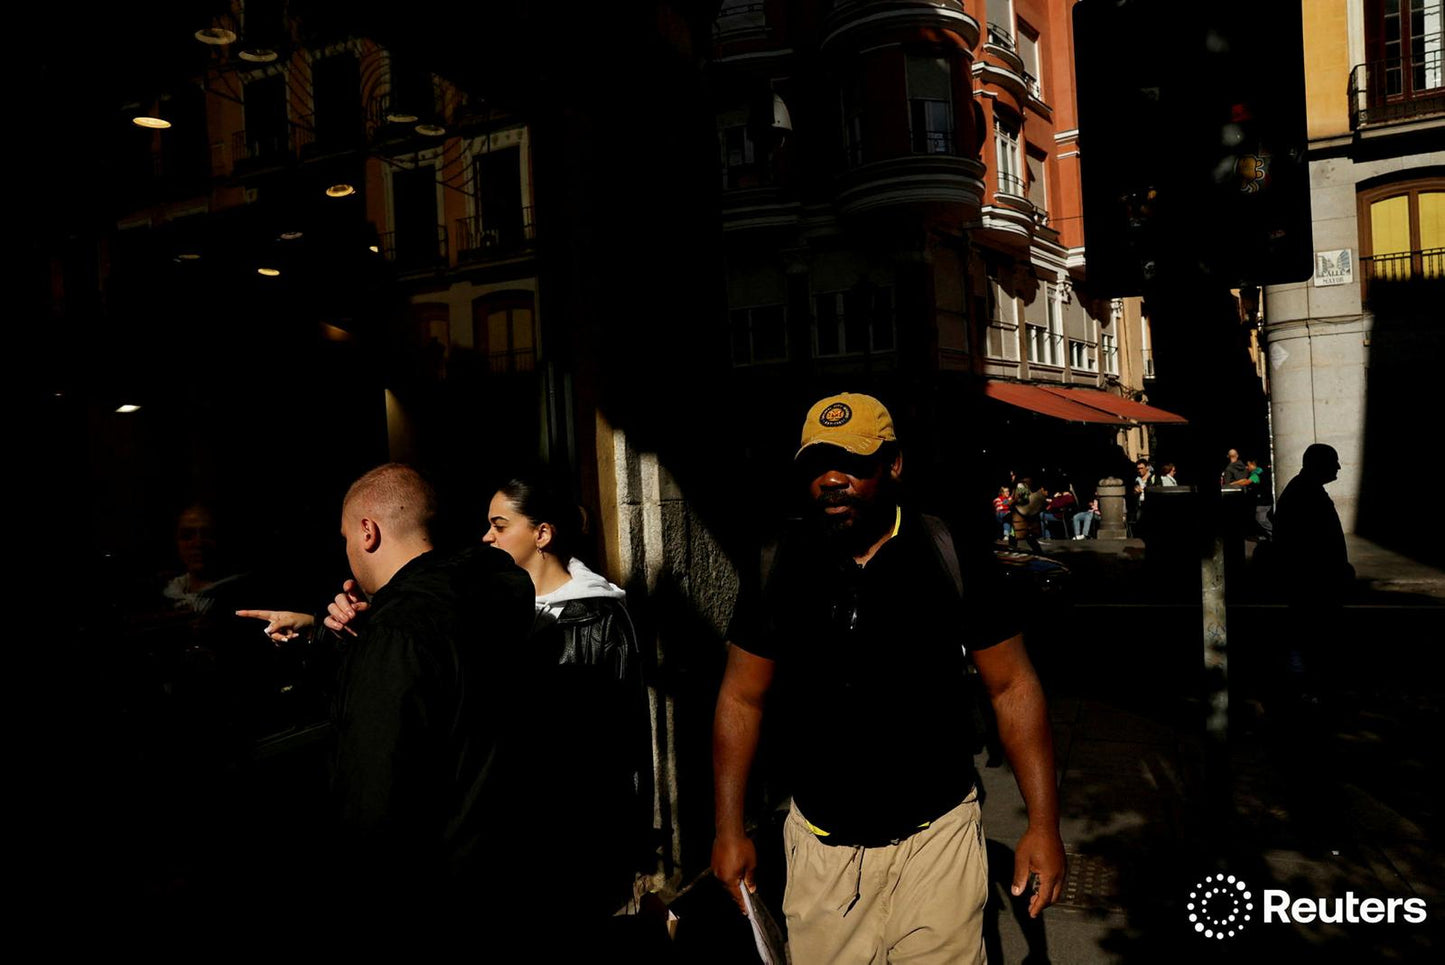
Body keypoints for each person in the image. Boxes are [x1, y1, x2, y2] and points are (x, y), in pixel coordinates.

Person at [711, 393, 1065, 965]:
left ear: (893, 464)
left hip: (937, 841)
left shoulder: (948, 550)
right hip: (821, 852)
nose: (831, 480)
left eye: (852, 463)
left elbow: (1013, 687)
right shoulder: (780, 560)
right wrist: (729, 828)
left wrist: (1042, 826)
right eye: (817, 465)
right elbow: (741, 697)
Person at [317, 464, 537, 920]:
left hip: (436, 897)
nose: (348, 552)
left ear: (367, 531)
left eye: (345, 538)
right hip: (509, 873)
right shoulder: (490, 591)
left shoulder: (400, 634)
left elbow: (374, 803)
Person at [481, 474, 655, 918]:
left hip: (576, 838)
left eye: (499, 526)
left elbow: (625, 739)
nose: (487, 537)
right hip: (509, 835)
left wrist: (627, 847)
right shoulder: (492, 609)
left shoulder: (601, 616)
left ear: (542, 534)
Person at [1272, 444, 1354, 695]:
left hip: (1313, 585)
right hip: (1313, 586)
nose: (1339, 466)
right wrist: (1335, 571)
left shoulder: (1305, 489)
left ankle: (1308, 690)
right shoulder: (1306, 493)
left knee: (1309, 639)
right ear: (1319, 463)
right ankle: (1305, 692)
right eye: (1334, 461)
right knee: (1310, 640)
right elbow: (1310, 544)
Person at [1010, 473, 1046, 553]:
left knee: (1026, 534)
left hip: (1022, 514)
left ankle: (1038, 552)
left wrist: (1013, 502)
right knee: (1015, 533)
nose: (1011, 477)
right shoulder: (1018, 485)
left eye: (1013, 475)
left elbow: (1025, 498)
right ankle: (1013, 550)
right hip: (1020, 514)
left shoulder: (1020, 485)